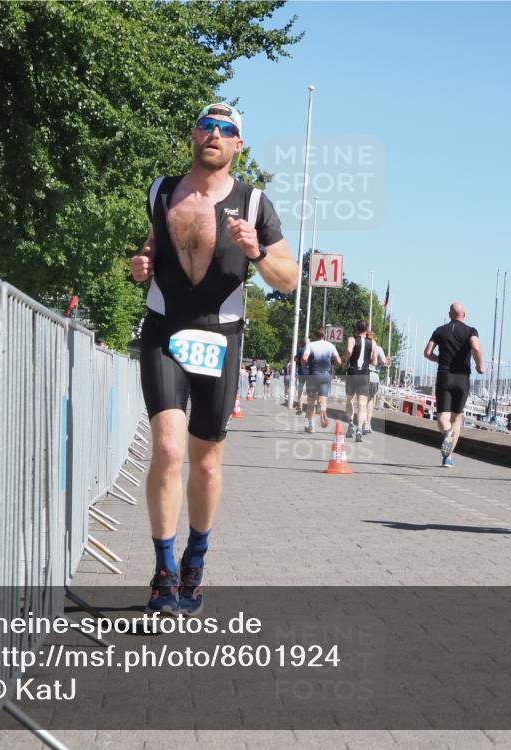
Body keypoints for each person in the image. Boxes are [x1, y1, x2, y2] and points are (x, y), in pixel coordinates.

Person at [129, 102, 298, 615]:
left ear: (238, 146)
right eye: (208, 126)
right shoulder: (162, 191)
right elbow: (149, 252)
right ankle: (163, 571)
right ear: (193, 134)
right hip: (164, 329)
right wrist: (139, 266)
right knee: (167, 449)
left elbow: (289, 280)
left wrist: (258, 253)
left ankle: (195, 557)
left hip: (220, 337)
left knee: (204, 462)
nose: (216, 135)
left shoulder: (254, 204)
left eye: (228, 131)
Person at [424, 302, 485, 467]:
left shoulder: (440, 330)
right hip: (462, 378)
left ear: (450, 314)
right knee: (456, 418)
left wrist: (440, 359)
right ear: (464, 314)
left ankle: (447, 432)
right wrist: (480, 366)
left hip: (444, 376)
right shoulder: (471, 331)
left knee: (442, 417)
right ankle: (448, 458)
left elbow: (427, 353)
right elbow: (476, 348)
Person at [301, 328, 341, 432]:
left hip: (313, 374)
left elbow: (305, 358)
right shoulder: (330, 345)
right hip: (326, 375)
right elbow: (339, 361)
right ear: (325, 335)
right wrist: (331, 363)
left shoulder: (310, 345)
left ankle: (311, 426)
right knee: (323, 400)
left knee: (311, 401)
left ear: (314, 336)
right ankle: (323, 409)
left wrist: (304, 364)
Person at [344, 320, 376, 442]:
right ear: (367, 329)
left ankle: (351, 423)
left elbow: (348, 351)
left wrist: (346, 361)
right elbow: (374, 361)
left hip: (353, 372)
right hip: (364, 373)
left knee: (349, 399)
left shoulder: (352, 339)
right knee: (362, 403)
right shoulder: (372, 342)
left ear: (356, 329)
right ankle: (359, 429)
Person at [363, 330, 390, 434]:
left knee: (362, 400)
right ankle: (368, 424)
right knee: (370, 401)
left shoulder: (362, 347)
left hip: (362, 375)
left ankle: (362, 422)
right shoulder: (378, 348)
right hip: (373, 377)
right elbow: (383, 361)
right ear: (374, 338)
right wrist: (383, 360)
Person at [294, 338, 309, 413]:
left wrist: (297, 361)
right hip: (310, 373)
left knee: (300, 390)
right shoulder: (312, 350)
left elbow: (295, 359)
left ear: (303, 343)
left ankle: (300, 407)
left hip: (301, 372)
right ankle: (310, 408)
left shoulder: (300, 349)